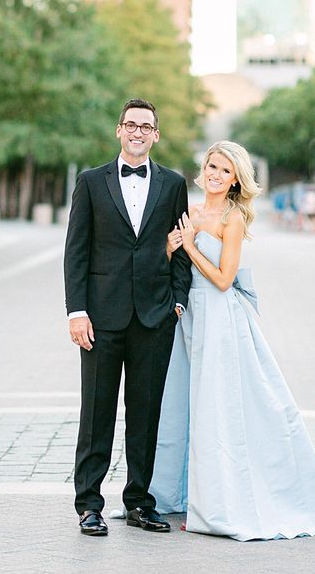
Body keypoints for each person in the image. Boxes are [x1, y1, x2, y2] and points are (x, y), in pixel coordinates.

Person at [150, 140, 315, 542]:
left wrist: (189, 245)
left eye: (225, 170)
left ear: (236, 178)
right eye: (211, 166)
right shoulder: (189, 211)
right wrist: (171, 252)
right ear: (202, 169)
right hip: (190, 319)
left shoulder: (233, 218)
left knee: (217, 406)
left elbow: (224, 279)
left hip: (220, 320)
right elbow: (178, 272)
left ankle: (217, 503)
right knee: (183, 404)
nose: (215, 175)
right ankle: (181, 494)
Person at [64, 99, 192, 538]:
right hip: (101, 318)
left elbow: (181, 246)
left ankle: (139, 500)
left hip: (154, 318)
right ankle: (89, 505)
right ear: (119, 130)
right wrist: (76, 311)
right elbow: (76, 251)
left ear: (156, 135)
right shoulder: (91, 182)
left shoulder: (174, 184)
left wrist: (178, 302)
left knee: (145, 414)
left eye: (147, 127)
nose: (138, 132)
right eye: (131, 124)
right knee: (96, 412)